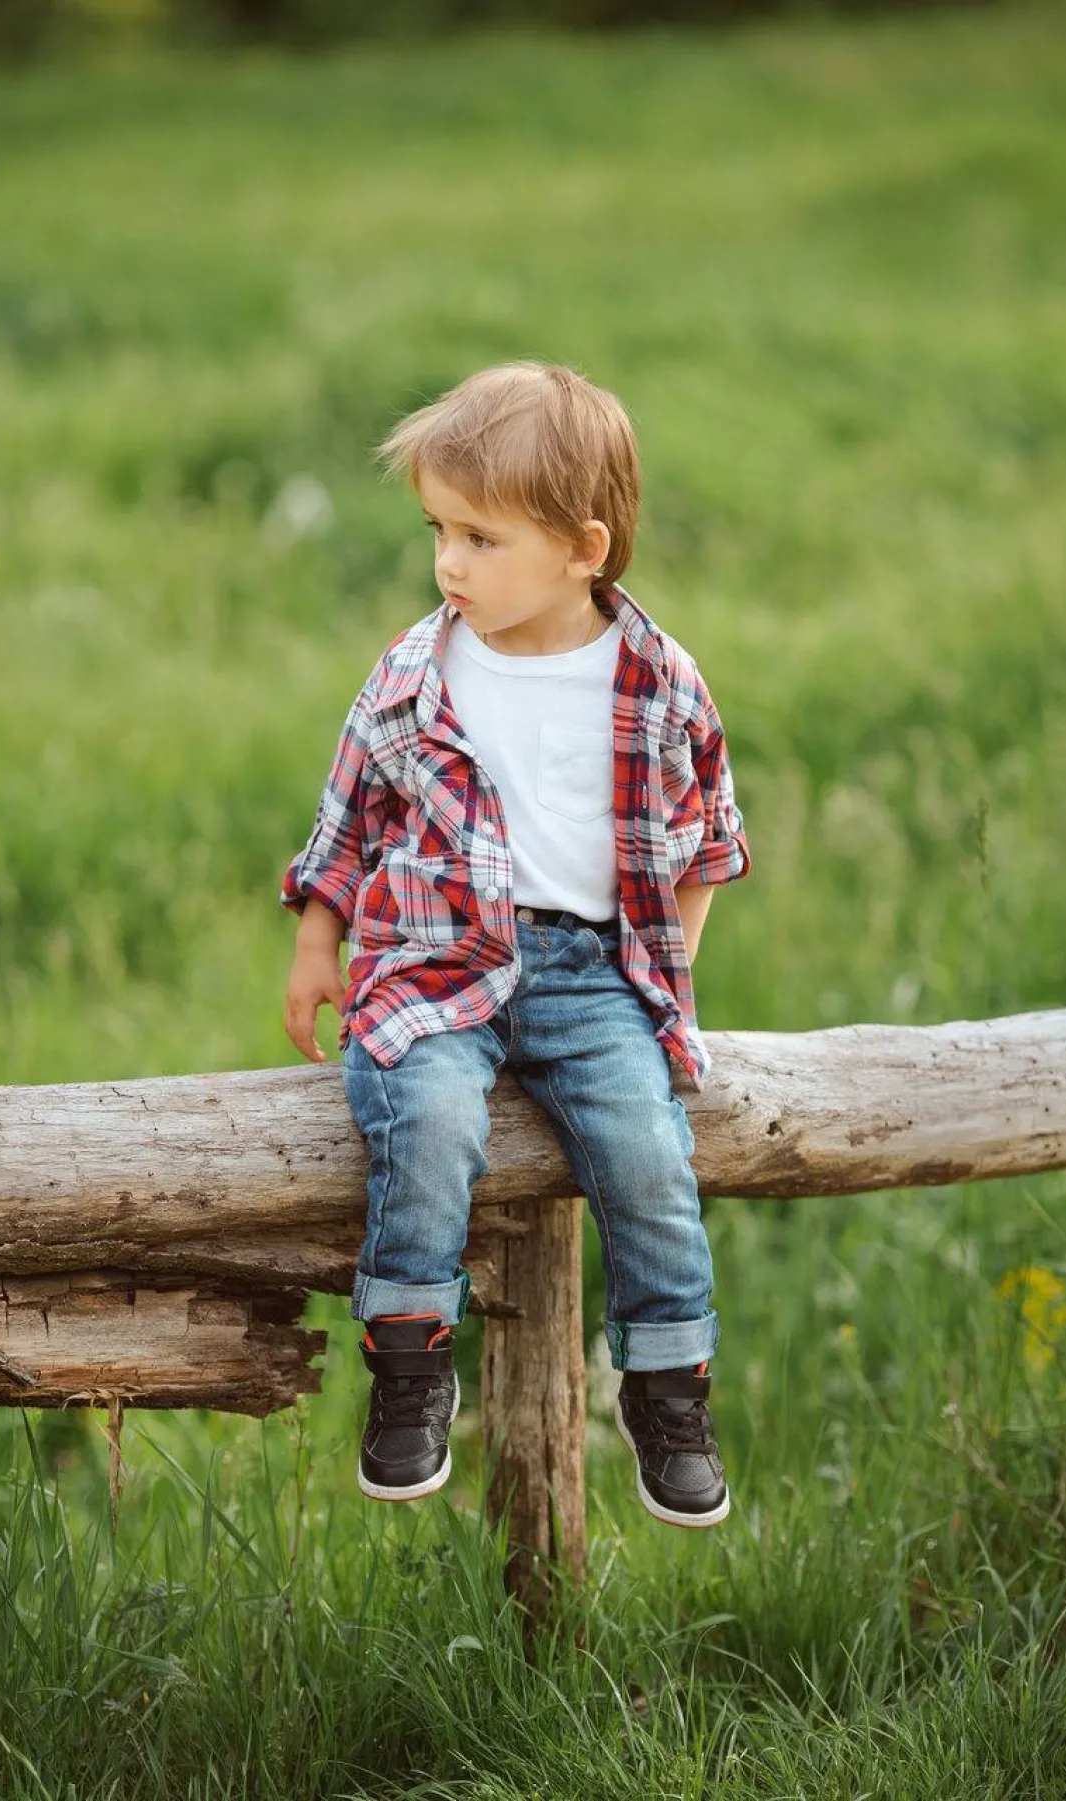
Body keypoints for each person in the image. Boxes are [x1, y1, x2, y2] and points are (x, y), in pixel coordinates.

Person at [281, 361, 751, 1529]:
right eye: (439, 529)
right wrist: (315, 947)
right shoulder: (414, 673)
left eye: (481, 538)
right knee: (427, 1120)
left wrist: (667, 986)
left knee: (647, 1157)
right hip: (437, 965)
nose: (449, 562)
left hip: (593, 975)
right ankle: (408, 1364)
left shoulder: (657, 684)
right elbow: (347, 824)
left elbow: (707, 843)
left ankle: (667, 1387)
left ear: (584, 547)